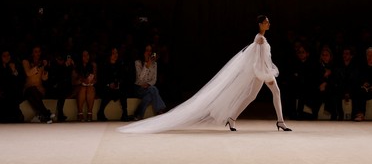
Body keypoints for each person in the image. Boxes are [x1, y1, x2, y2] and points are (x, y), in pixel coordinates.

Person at [118, 14, 290, 133]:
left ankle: (232, 117)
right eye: (266, 22)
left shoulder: (260, 39)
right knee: (273, 92)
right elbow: (259, 61)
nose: (269, 24)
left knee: (252, 96)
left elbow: (259, 59)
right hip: (260, 72)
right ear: (260, 24)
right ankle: (279, 122)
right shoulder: (259, 39)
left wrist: (264, 72)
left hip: (259, 72)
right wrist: (266, 74)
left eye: (268, 22)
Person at [132, 44, 167, 120]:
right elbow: (140, 78)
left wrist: (148, 85)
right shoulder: (137, 62)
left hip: (149, 88)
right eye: (147, 50)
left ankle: (138, 114)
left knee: (149, 96)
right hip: (139, 88)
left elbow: (154, 79)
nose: (149, 52)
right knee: (153, 89)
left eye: (150, 51)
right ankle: (160, 110)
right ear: (143, 52)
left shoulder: (154, 64)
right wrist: (147, 65)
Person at [96, 47, 129, 122]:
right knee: (107, 92)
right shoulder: (104, 64)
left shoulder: (120, 63)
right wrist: (109, 84)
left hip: (117, 87)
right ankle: (100, 112)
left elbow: (123, 76)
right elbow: (102, 78)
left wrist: (118, 83)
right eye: (113, 53)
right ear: (109, 55)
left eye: (116, 53)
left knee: (123, 91)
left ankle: (125, 113)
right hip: (106, 87)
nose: (115, 55)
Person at [22, 46, 53, 124]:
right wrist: (39, 65)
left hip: (39, 89)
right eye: (36, 51)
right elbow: (28, 73)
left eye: (39, 51)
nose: (38, 53)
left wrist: (45, 70)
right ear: (32, 52)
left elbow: (44, 78)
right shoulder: (26, 61)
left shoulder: (42, 62)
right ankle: (46, 113)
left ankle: (42, 114)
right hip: (28, 89)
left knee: (34, 94)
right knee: (32, 90)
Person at [74, 50, 97, 122]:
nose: (86, 57)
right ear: (81, 57)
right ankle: (80, 112)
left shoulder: (93, 65)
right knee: (83, 88)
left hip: (89, 86)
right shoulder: (76, 66)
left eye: (87, 55)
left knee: (91, 88)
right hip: (78, 87)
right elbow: (73, 81)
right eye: (84, 55)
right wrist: (82, 81)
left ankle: (89, 113)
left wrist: (92, 81)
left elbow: (96, 79)